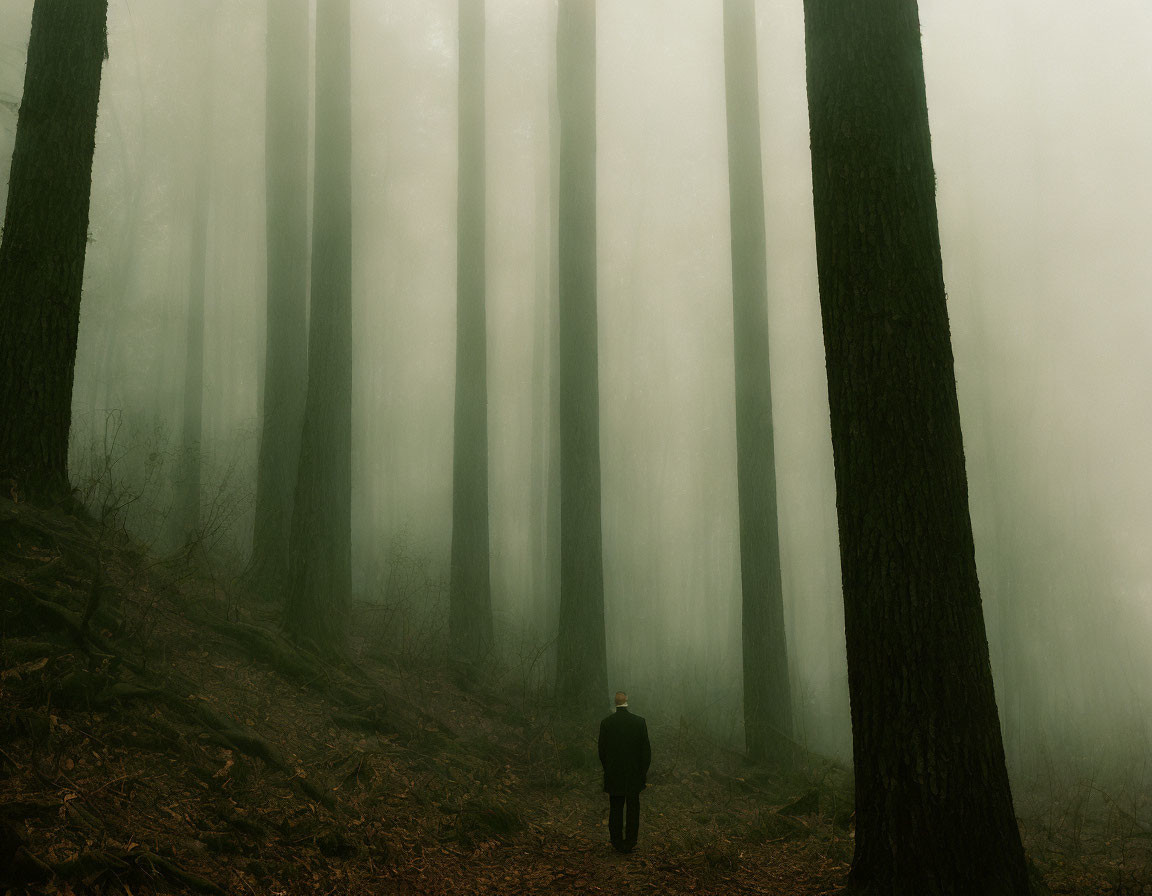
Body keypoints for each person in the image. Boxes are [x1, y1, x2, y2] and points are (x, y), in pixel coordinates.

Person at [597, 691, 652, 854]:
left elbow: (602, 751)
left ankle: (616, 842)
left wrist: (608, 769)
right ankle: (630, 842)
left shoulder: (606, 723)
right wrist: (642, 772)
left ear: (615, 703)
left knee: (616, 808)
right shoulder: (639, 722)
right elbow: (646, 752)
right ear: (627, 701)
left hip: (614, 773)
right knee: (633, 808)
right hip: (634, 774)